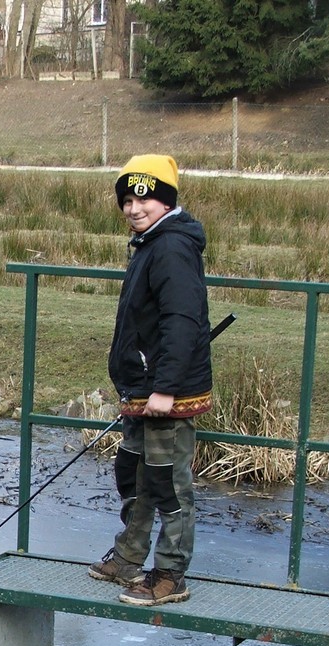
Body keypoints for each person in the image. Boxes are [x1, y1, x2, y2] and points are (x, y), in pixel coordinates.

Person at [88, 154, 212, 606]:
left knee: (167, 483)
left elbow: (182, 321)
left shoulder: (172, 247)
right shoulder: (150, 242)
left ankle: (170, 575)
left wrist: (165, 388)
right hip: (143, 388)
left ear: (166, 201)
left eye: (144, 199)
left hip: (166, 394)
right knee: (133, 472)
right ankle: (128, 556)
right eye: (127, 200)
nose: (134, 208)